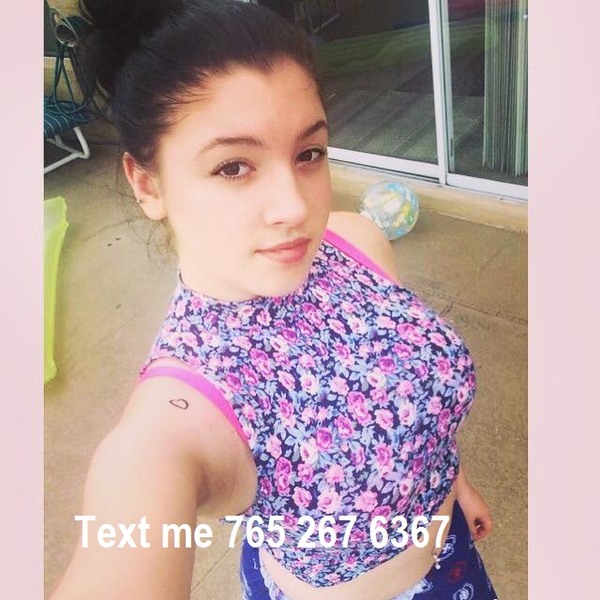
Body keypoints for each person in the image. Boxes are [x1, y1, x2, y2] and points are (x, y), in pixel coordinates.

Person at [53, 1, 498, 598]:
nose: (295, 206)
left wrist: (450, 480)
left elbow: (407, 383)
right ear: (147, 184)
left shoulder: (353, 239)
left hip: (458, 557)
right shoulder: (179, 417)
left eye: (308, 153)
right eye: (233, 167)